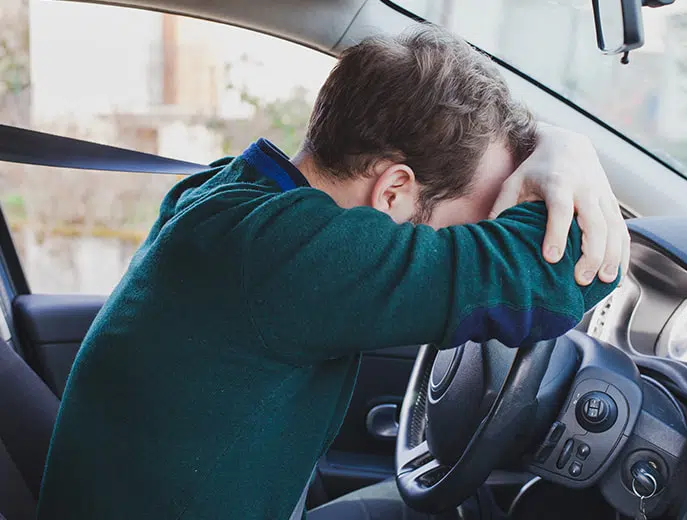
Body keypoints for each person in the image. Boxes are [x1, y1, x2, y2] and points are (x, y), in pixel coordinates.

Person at [37, 25, 628, 520]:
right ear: (395, 189)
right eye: (480, 221)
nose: (483, 237)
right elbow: (562, 277)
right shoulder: (290, 255)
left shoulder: (233, 198)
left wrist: (550, 143)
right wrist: (570, 151)